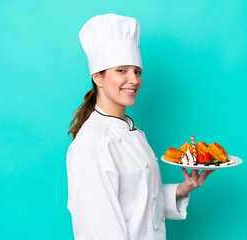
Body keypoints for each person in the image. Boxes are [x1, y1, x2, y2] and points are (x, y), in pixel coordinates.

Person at [66, 13, 214, 240]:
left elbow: (138, 202)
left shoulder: (134, 133)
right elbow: (100, 231)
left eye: (137, 71)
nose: (134, 80)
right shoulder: (91, 144)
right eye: (121, 70)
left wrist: (181, 190)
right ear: (97, 77)